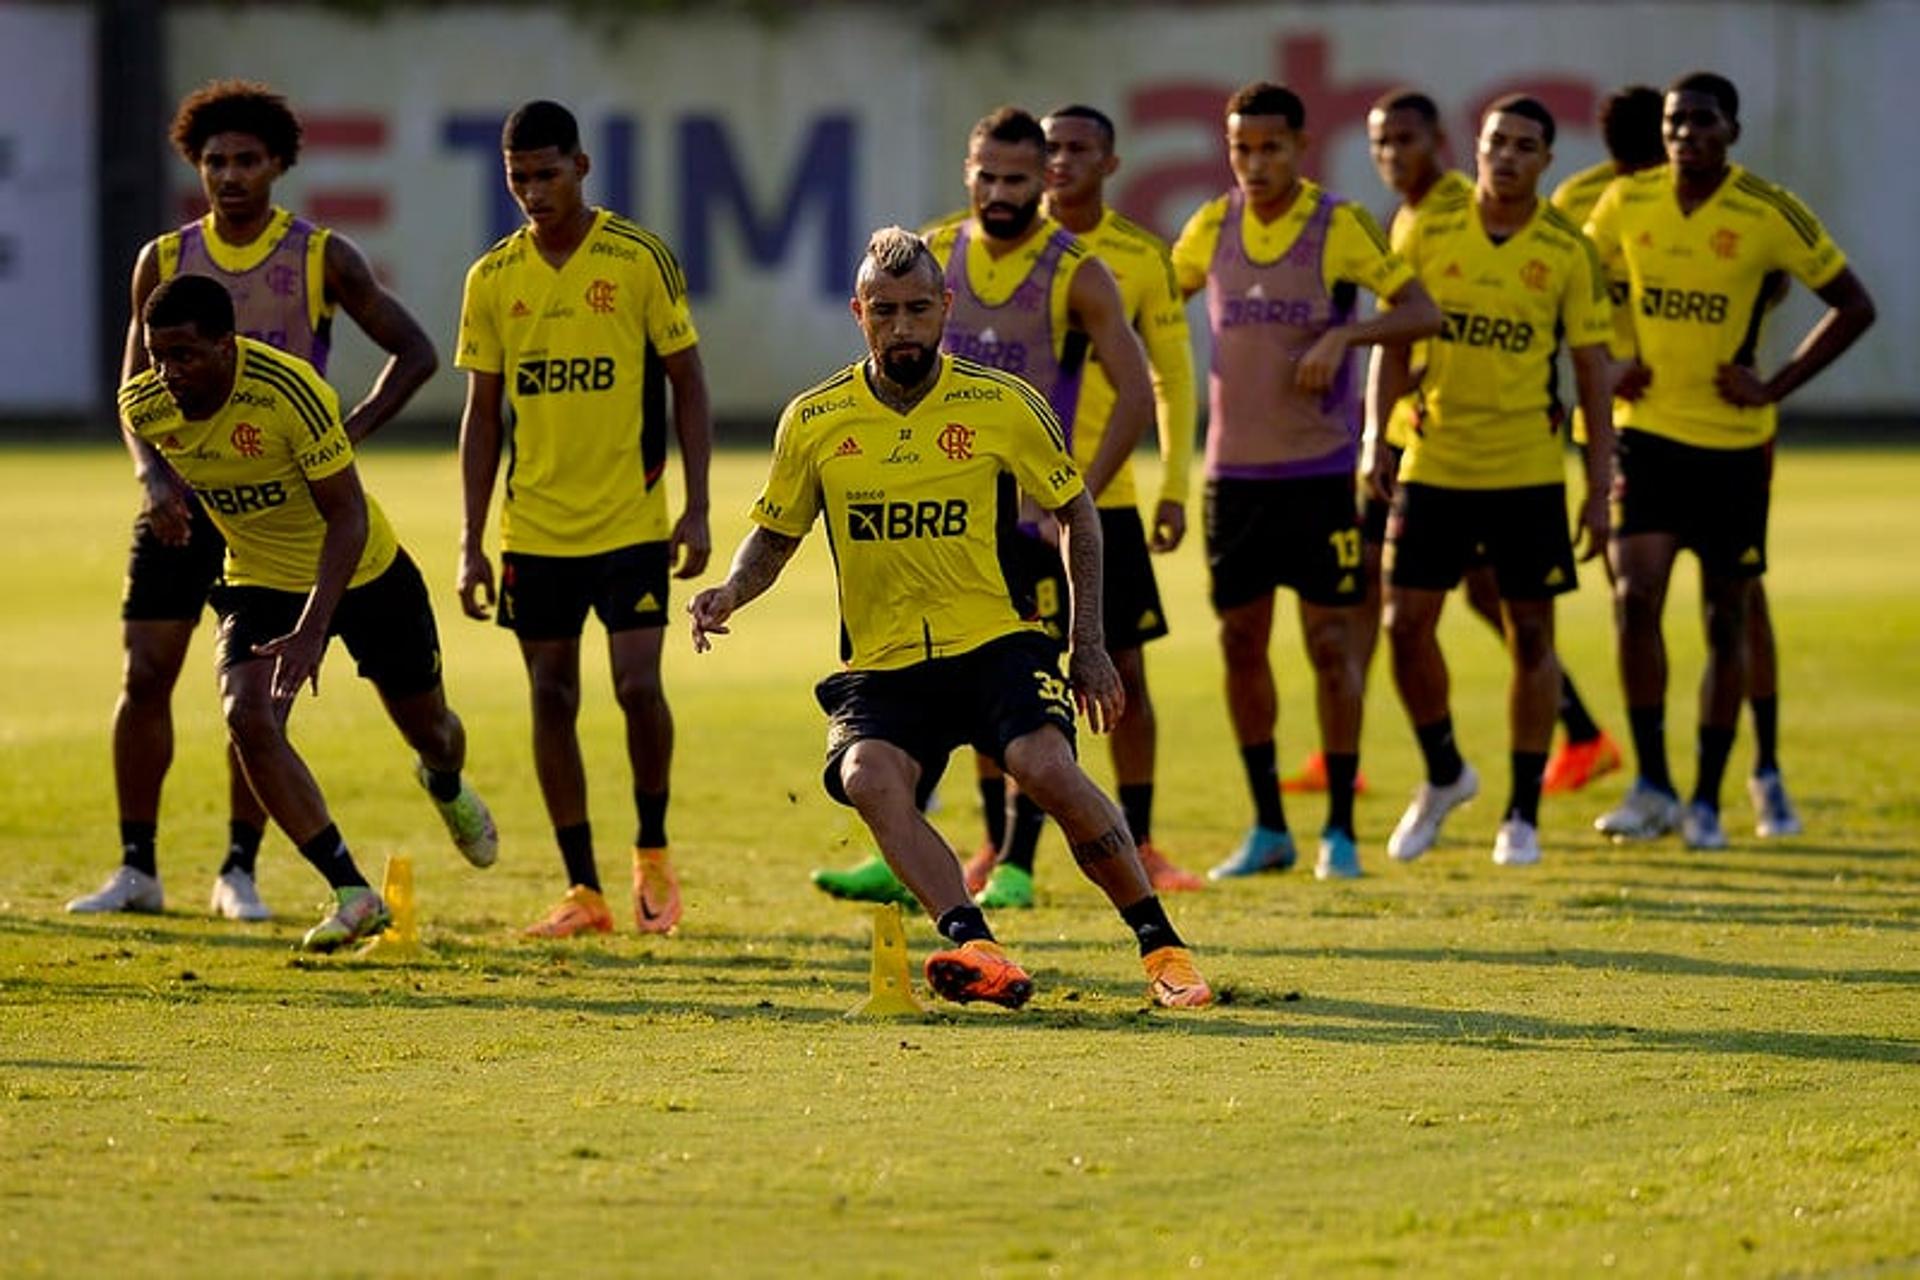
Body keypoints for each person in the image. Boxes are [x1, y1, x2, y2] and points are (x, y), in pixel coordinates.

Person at [690, 227, 1212, 1010]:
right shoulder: (814, 419)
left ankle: (1162, 948)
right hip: (886, 660)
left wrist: (1088, 643)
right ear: (858, 312)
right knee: (868, 777)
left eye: (918, 309)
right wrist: (731, 590)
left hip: (993, 642)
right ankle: (976, 946)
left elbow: (1078, 511)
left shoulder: (999, 403)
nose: (903, 327)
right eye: (886, 311)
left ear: (946, 309)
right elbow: (776, 532)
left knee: (1044, 769)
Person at [70, 80, 439, 921]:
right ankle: (137, 869)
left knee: (258, 695)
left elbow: (415, 351)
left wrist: (342, 438)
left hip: (286, 502)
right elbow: (138, 390)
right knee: (146, 671)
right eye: (213, 161)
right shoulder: (163, 261)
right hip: (185, 497)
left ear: (278, 165)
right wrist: (153, 479)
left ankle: (239, 868)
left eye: (245, 160)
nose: (229, 175)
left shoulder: (319, 255)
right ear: (195, 168)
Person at [811, 106, 1170, 909]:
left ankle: (1043, 857)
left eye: (1017, 177)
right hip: (956, 515)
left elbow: (1136, 392)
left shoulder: (1077, 269)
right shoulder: (934, 258)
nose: (999, 191)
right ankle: (978, 852)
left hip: (1051, 513)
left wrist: (1063, 491)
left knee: (1046, 693)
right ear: (968, 171)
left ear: (1044, 179)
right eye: (987, 175)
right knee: (955, 681)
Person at [119, 275, 495, 951]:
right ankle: (351, 890)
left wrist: (313, 630)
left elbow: (346, 516)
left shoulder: (287, 392)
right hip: (260, 580)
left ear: (226, 345)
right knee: (247, 718)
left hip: (366, 571)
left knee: (433, 731)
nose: (167, 373)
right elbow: (142, 427)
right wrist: (158, 487)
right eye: (157, 355)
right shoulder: (148, 402)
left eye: (184, 355)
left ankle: (443, 782)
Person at [1586, 71, 1875, 847]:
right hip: (1645, 435)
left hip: (1731, 449)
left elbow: (1855, 304)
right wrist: (1611, 359)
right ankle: (1652, 784)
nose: (1686, 134)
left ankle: (1711, 797)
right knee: (1632, 597)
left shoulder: (1765, 211)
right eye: (1676, 123)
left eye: (1703, 121)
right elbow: (1570, 285)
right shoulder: (1626, 202)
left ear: (1732, 133)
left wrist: (1775, 384)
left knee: (1727, 616)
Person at [1170, 81, 1441, 880]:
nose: (1254, 164)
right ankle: (1267, 828)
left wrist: (1348, 335)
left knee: (1331, 645)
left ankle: (1340, 831)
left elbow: (1422, 312)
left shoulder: (1339, 226)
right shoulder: (1211, 225)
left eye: (1270, 148)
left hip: (1318, 475)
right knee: (1240, 642)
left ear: (1301, 146)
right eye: (1240, 148)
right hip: (1234, 477)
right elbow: (1153, 299)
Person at [457, 101, 712, 936]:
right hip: (533, 530)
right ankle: (584, 890)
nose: (533, 192)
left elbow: (687, 383)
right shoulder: (493, 278)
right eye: (518, 178)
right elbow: (483, 417)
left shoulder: (636, 258)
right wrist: (469, 541)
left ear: (582, 167)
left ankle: (651, 853)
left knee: (639, 686)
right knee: (550, 693)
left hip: (633, 519)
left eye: (547, 174)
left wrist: (697, 507)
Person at [1367, 96, 1616, 866]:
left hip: (1527, 472)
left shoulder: (1567, 249)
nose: (1506, 156)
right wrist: (1377, 435)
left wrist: (1599, 483)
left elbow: (1591, 374)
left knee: (1532, 634)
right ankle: (1445, 773)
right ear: (1474, 148)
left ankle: (1522, 811)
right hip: (1435, 460)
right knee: (1402, 627)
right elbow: (1396, 339)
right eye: (1495, 142)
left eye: (1525, 146)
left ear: (1547, 161)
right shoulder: (1423, 227)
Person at [1553, 85, 1799, 826]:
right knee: (1643, 597)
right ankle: (1677, 778)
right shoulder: (1590, 203)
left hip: (1721, 424)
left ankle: (1759, 767)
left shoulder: (1728, 203)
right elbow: (1558, 292)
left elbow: (1780, 274)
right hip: (1629, 421)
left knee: (1736, 600)